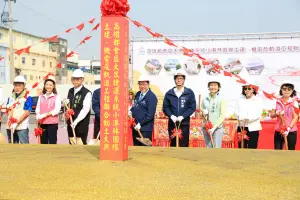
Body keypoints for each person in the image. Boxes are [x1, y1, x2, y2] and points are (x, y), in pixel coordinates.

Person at [163, 69, 196, 147]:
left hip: (184, 124)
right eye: (177, 78)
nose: (179, 80)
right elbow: (165, 107)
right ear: (175, 80)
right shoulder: (169, 93)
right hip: (172, 124)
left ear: (184, 80)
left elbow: (192, 107)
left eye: (181, 78)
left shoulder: (189, 93)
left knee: (184, 144)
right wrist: (171, 116)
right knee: (173, 144)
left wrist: (183, 116)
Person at [65, 69, 92, 145]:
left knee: (81, 144)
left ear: (82, 79)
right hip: (70, 122)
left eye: (77, 79)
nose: (75, 81)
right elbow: (68, 106)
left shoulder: (87, 93)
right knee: (72, 144)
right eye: (73, 79)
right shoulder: (70, 91)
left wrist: (76, 121)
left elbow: (85, 109)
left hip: (81, 124)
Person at [129, 75, 158, 146]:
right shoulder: (138, 94)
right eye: (140, 84)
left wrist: (140, 123)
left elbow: (150, 115)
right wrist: (130, 111)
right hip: (135, 127)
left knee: (145, 150)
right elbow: (135, 106)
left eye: (144, 84)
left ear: (148, 84)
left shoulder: (151, 97)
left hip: (145, 128)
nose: (142, 86)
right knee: (136, 148)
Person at [270, 80, 298, 150]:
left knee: (291, 150)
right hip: (279, 130)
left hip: (291, 131)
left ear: (292, 91)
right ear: (281, 90)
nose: (286, 91)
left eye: (289, 89)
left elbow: (295, 117)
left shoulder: (294, 102)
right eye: (284, 89)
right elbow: (272, 115)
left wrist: (288, 128)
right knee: (277, 151)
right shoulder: (276, 101)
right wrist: (277, 113)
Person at [234, 81, 263, 149]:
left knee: (252, 148)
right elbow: (235, 111)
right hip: (241, 127)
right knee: (241, 147)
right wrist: (240, 117)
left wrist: (248, 119)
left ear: (253, 90)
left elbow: (258, 113)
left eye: (249, 89)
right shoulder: (239, 100)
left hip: (253, 127)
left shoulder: (258, 100)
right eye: (245, 88)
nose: (247, 90)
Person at [201, 76, 227, 148]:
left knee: (216, 149)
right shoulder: (205, 99)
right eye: (211, 85)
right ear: (208, 87)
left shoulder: (222, 99)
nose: (213, 87)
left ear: (219, 87)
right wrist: (203, 113)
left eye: (215, 85)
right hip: (206, 127)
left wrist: (214, 128)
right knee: (208, 148)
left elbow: (222, 115)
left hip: (217, 128)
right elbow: (201, 111)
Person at [6, 76, 32, 144]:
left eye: (19, 85)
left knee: (24, 146)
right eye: (15, 85)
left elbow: (27, 113)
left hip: (22, 127)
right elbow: (9, 109)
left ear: (24, 86)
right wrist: (11, 120)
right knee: (12, 146)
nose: (17, 87)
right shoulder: (10, 97)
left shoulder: (27, 97)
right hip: (11, 126)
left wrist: (16, 123)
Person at [35, 75, 61, 144]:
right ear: (44, 86)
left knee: (52, 142)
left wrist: (44, 115)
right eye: (47, 84)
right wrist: (38, 115)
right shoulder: (41, 96)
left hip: (52, 124)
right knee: (43, 143)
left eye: (50, 85)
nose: (48, 86)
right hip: (42, 123)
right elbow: (38, 107)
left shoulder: (56, 96)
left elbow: (57, 110)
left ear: (53, 86)